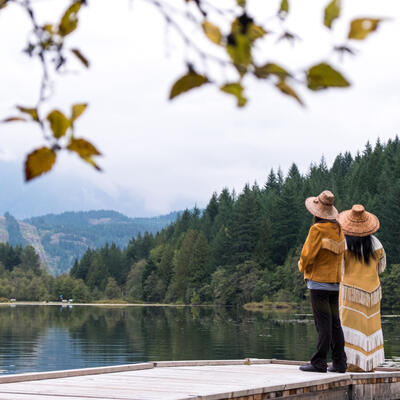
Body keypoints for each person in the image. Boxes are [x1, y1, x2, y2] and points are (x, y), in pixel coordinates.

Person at [298, 190, 347, 373]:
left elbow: (307, 255)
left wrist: (301, 266)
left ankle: (319, 362)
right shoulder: (339, 229)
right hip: (335, 283)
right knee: (335, 324)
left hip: (318, 282)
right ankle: (340, 363)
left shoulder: (317, 229)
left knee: (323, 324)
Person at [337, 204, 386, 372]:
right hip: (373, 290)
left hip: (351, 291)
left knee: (348, 328)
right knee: (370, 326)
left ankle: (351, 363)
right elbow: (380, 266)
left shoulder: (344, 243)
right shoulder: (376, 243)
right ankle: (369, 365)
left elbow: (339, 266)